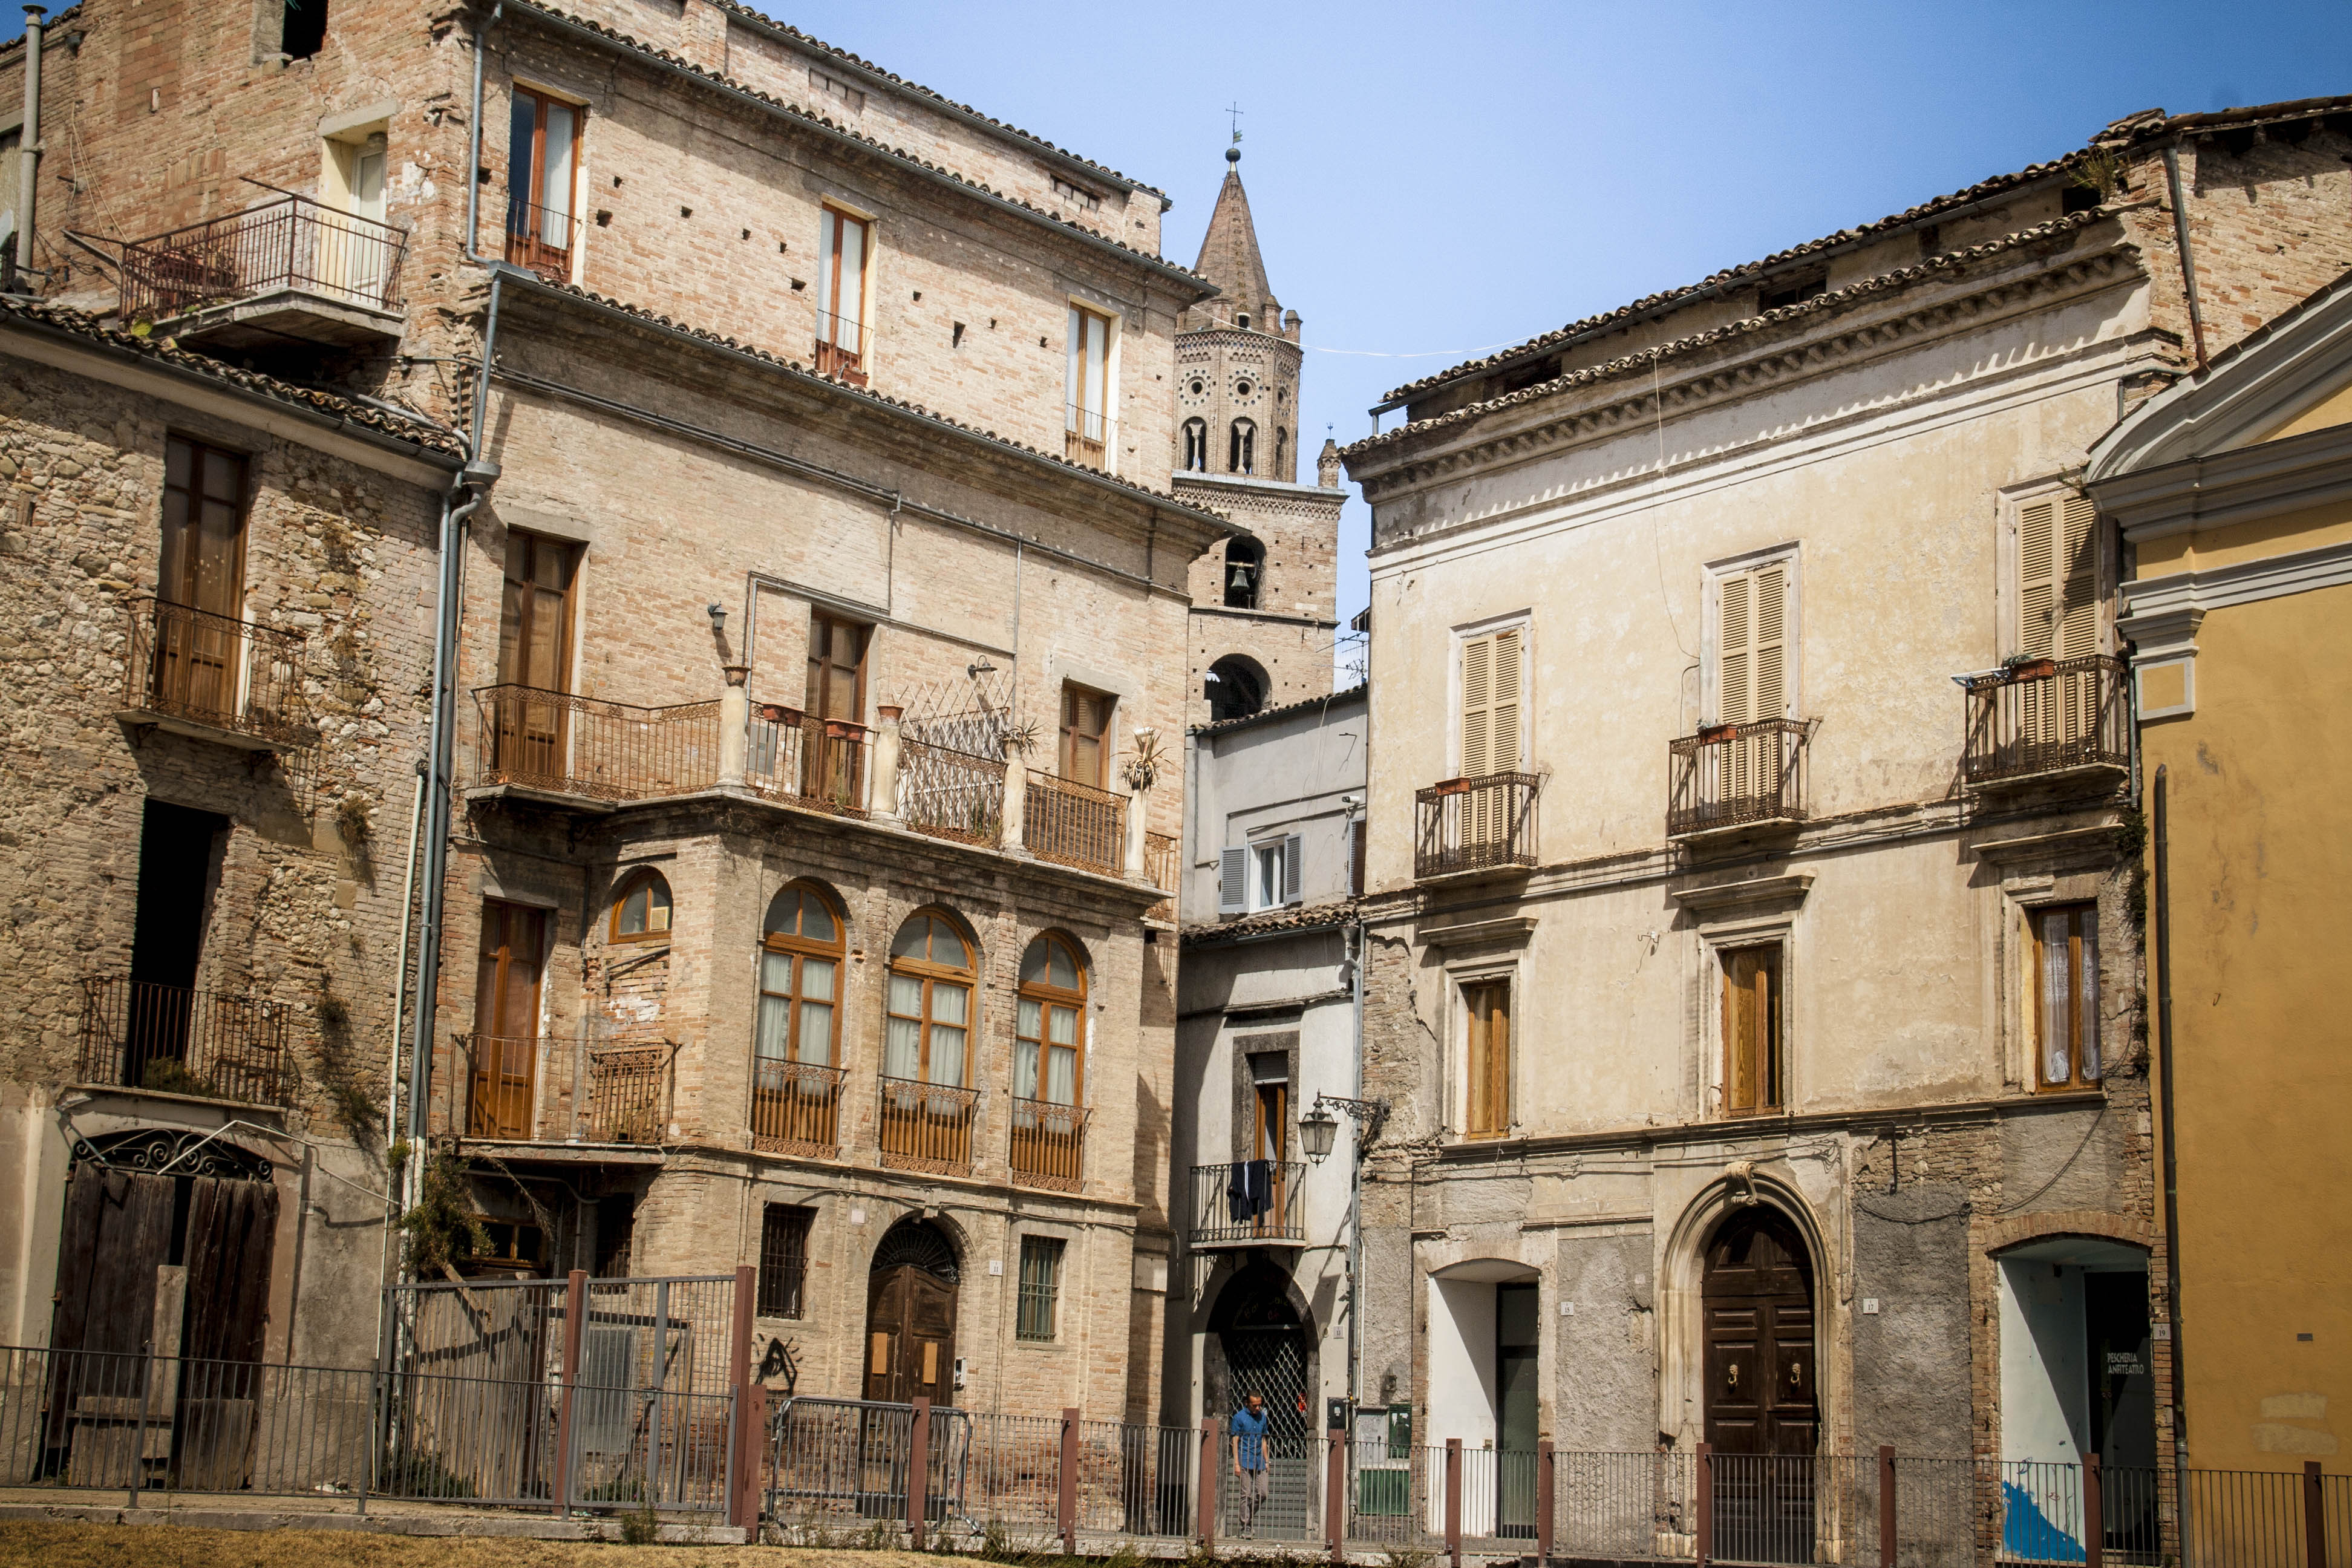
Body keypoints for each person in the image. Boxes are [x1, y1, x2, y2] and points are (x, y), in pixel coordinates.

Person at [1229, 1390, 1271, 1535]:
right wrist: (1236, 1463)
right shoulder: (1239, 1418)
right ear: (1247, 1404)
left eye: (1260, 1405)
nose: (1258, 1408)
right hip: (1245, 1459)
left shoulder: (1263, 1418)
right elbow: (1235, 1441)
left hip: (1259, 1460)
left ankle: (1248, 1518)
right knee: (1245, 1494)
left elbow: (1264, 1439)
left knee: (1263, 1493)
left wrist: (1267, 1461)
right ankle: (1245, 1526)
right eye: (1255, 1406)